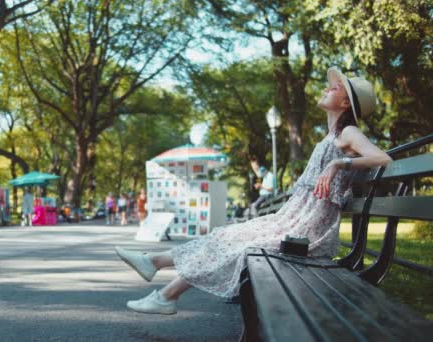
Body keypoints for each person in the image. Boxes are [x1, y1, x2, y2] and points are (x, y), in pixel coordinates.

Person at [114, 67, 393, 315]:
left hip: (308, 229)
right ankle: (159, 274)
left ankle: (163, 287)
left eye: (335, 88)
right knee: (226, 235)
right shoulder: (331, 136)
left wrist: (337, 163)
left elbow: (384, 159)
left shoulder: (349, 133)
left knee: (242, 244)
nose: (326, 88)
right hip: (293, 218)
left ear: (345, 102)